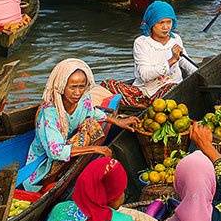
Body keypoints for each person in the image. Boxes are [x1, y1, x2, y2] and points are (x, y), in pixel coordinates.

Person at [23, 59, 138, 192]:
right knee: (62, 157)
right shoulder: (50, 112)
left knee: (91, 124)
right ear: (61, 86)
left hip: (68, 142)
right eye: (72, 87)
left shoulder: (84, 98)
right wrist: (95, 149)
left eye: (81, 86)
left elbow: (91, 112)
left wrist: (117, 121)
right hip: (45, 162)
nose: (77, 93)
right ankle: (49, 182)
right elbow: (56, 152)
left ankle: (75, 166)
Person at [101, 1, 198, 109]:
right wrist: (172, 61)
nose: (166, 27)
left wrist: (199, 73)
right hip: (146, 91)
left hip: (171, 89)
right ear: (152, 23)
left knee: (171, 90)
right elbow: (144, 75)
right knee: (107, 84)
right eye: (161, 23)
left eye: (169, 22)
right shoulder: (141, 43)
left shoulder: (176, 39)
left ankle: (148, 106)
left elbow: (185, 62)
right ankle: (146, 104)